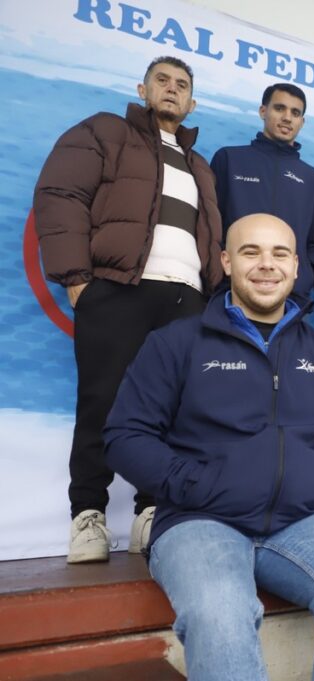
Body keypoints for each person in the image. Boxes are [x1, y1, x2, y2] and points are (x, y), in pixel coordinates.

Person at [104, 213, 314, 681]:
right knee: (220, 609)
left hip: (300, 519)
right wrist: (197, 485)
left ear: (296, 266)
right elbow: (125, 436)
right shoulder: (176, 343)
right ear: (226, 262)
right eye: (251, 252)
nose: (266, 264)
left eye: (279, 254)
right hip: (199, 521)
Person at [33, 55, 224, 563]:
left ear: (192, 102)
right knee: (102, 402)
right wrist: (77, 279)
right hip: (119, 289)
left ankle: (152, 511)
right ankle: (87, 515)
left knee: (174, 411)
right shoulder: (105, 132)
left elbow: (210, 236)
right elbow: (60, 194)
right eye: (162, 80)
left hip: (187, 298)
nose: (171, 89)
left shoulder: (200, 166)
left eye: (181, 85)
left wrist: (212, 295)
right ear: (142, 89)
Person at [210, 83, 314, 298]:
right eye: (280, 108)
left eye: (295, 113)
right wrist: (219, 273)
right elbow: (211, 223)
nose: (287, 118)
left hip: (290, 295)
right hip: (232, 288)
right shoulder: (229, 159)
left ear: (302, 122)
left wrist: (305, 277)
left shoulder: (313, 179)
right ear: (263, 111)